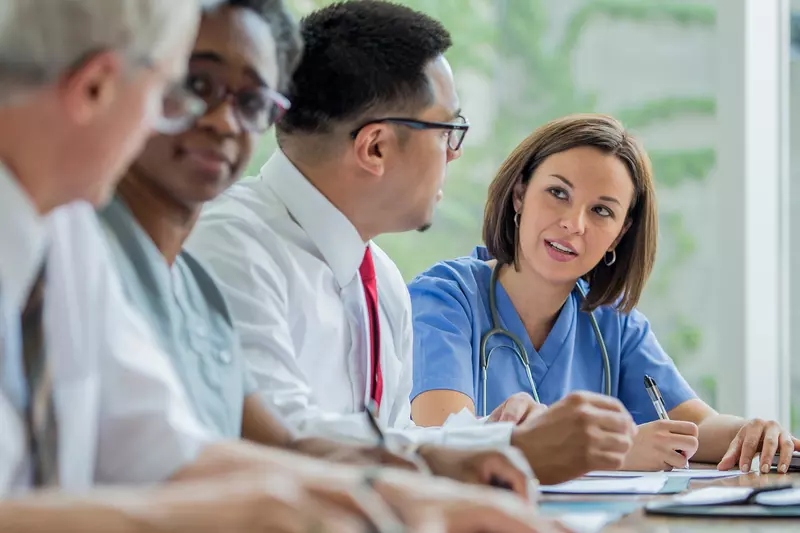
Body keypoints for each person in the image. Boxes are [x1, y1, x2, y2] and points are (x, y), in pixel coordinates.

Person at [0, 1, 498, 532]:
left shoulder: (70, 237)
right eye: (177, 89)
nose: (205, 121)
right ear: (97, 87)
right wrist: (234, 508)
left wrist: (389, 493)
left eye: (253, 102)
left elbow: (165, 448)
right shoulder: (207, 243)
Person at [187, 0, 637, 486]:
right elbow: (281, 440)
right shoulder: (229, 248)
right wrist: (513, 449)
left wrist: (495, 434)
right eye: (448, 131)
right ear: (375, 147)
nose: (454, 154)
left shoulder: (377, 275)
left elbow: (391, 438)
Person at [408, 113, 800, 475]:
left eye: (601, 211)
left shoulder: (611, 321)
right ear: (519, 195)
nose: (573, 224)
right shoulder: (445, 300)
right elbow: (443, 444)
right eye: (558, 193)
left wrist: (752, 432)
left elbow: (696, 426)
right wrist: (614, 451)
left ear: (621, 233)